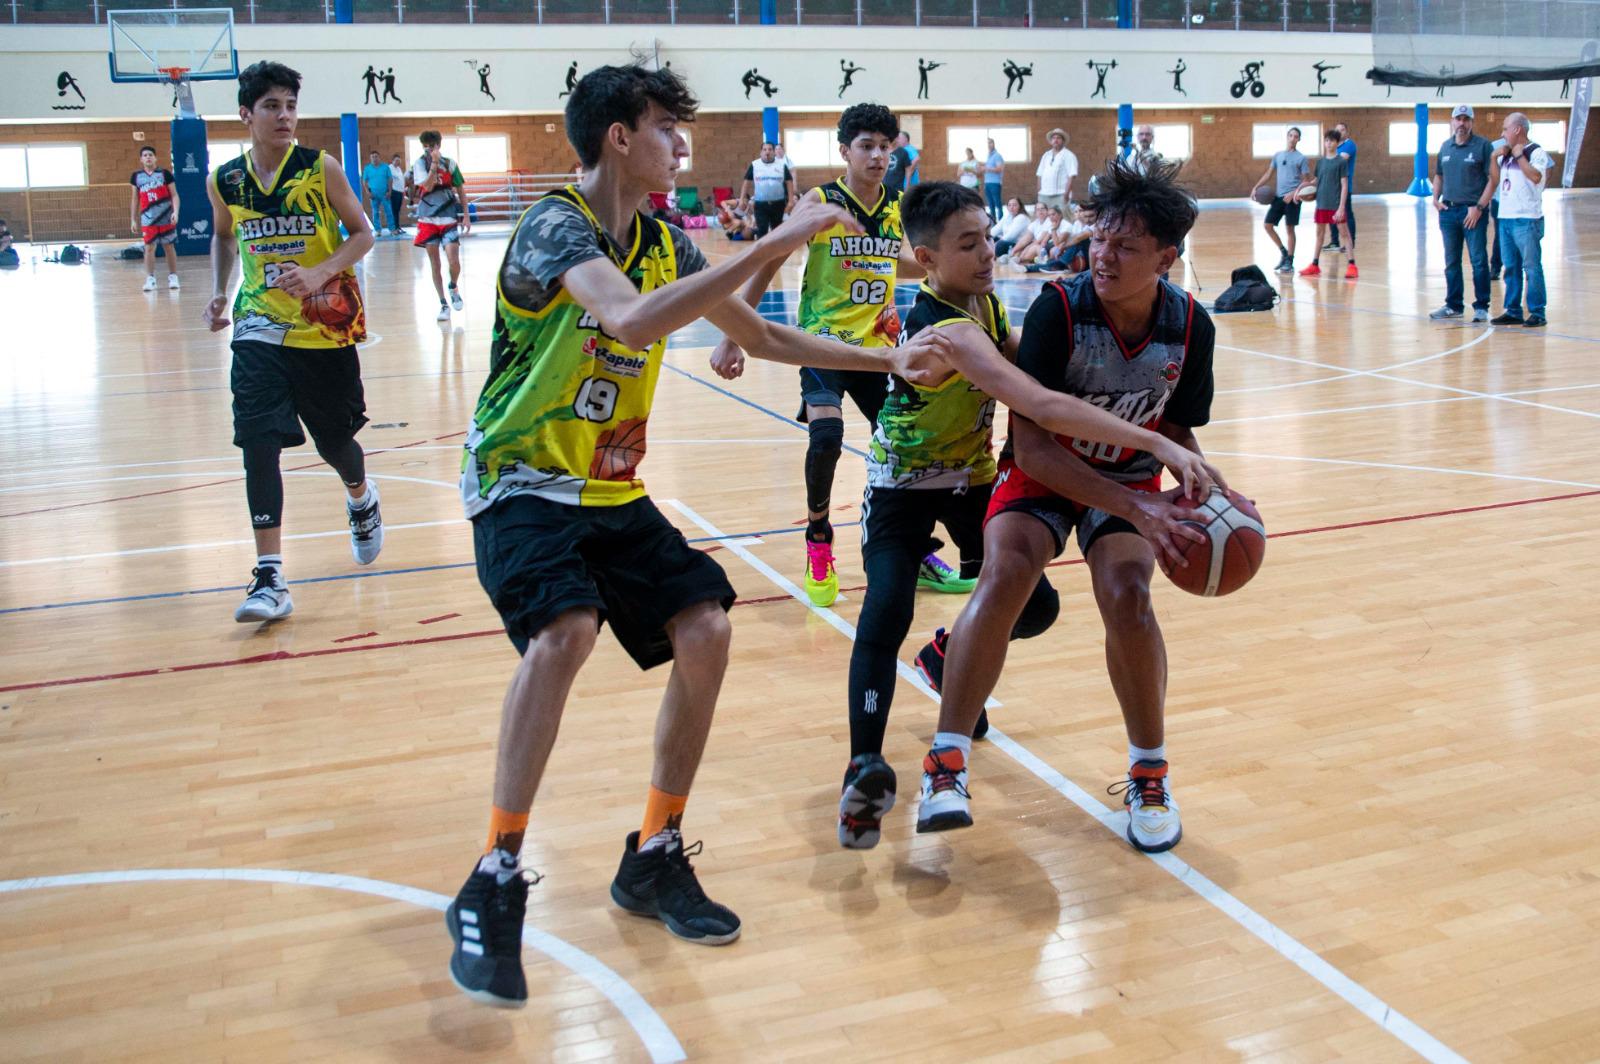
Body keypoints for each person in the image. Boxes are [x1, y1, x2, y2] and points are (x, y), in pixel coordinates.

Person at [446, 62, 953, 1009]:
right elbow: (633, 321)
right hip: (521, 481)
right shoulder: (558, 224)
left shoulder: (666, 240)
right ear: (618, 138)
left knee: (708, 627)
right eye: (667, 129)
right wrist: (788, 233)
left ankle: (655, 849)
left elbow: (760, 338)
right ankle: (498, 868)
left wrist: (884, 355)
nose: (683, 145)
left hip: (606, 488)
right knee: (567, 633)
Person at [837, 180, 1219, 849]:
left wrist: (1205, 489)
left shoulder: (1190, 327)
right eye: (1098, 237)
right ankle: (945, 764)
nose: (1102, 255)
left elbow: (1178, 430)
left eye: (1124, 246)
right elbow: (1037, 443)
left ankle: (1149, 773)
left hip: (1123, 471)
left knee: (1128, 596)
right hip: (1037, 471)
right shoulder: (1056, 312)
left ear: (1165, 257)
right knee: (1008, 574)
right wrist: (1139, 503)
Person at [709, 102, 968, 607]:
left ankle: (913, 549)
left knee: (908, 450)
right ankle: (818, 537)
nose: (877, 156)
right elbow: (769, 260)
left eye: (885, 147)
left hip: (878, 351)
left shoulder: (897, 206)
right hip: (823, 342)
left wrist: (941, 268)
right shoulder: (820, 199)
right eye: (866, 146)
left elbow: (900, 266)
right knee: (826, 434)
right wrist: (733, 334)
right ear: (844, 150)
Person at [202, 61, 380, 624]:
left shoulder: (319, 167)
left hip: (324, 327)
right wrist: (218, 292)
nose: (284, 116)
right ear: (246, 115)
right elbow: (224, 237)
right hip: (258, 324)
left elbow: (364, 233)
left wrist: (320, 273)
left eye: (290, 106)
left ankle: (360, 494)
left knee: (335, 445)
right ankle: (270, 574)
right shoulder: (225, 179)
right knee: (258, 439)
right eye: (272, 107)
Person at [1429, 105, 1495, 323]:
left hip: (1472, 212)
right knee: (1451, 261)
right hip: (1448, 212)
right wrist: (1435, 200)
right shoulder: (1445, 147)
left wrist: (1479, 207)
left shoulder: (1483, 146)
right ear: (1452, 121)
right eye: (1458, 119)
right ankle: (1454, 305)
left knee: (1478, 260)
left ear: (1472, 123)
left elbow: (1493, 180)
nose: (1462, 123)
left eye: (1466, 119)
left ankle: (1481, 306)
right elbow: (1439, 175)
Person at [1490, 112, 1553, 327]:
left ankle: (1537, 311)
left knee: (1531, 267)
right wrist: (1493, 158)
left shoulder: (1536, 152)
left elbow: (1536, 177)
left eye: (1506, 128)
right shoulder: (1505, 154)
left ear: (1517, 129)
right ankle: (1513, 310)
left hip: (1527, 219)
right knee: (1511, 267)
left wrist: (1519, 156)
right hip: (1506, 217)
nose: (1503, 133)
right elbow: (1496, 180)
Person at [412, 130, 470, 322]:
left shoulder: (451, 163)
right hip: (428, 218)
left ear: (438, 145)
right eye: (426, 146)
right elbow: (427, 186)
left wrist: (466, 216)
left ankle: (453, 286)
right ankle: (443, 304)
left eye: (432, 145)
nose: (429, 149)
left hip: (448, 216)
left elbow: (461, 190)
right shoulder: (420, 164)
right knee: (434, 262)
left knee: (453, 259)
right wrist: (434, 165)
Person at [1252, 126, 1310, 274]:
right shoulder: (1278, 155)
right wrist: (1256, 187)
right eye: (1290, 135)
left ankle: (1290, 260)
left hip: (1293, 199)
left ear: (1299, 139)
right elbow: (1268, 174)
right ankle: (1283, 252)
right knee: (1267, 225)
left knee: (1290, 229)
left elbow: (1306, 182)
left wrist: (1294, 193)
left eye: (1296, 136)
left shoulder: (1301, 158)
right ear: (1287, 137)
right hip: (1278, 198)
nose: (1293, 138)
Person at [1299, 130, 1352, 278]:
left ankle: (1352, 265)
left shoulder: (1341, 161)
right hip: (1321, 204)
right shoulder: (1321, 162)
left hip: (1335, 205)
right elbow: (1317, 181)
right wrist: (1302, 188)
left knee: (1344, 234)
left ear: (1337, 143)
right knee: (1319, 235)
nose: (1329, 143)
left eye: (1332, 141)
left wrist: (1341, 207)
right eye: (1326, 141)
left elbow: (1344, 185)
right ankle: (1315, 265)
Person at [129, 146, 181, 292]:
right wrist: (133, 219)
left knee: (169, 246)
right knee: (149, 248)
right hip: (148, 219)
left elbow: (175, 195)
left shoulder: (165, 174)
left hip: (166, 216)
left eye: (150, 154)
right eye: (145, 155)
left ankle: (173, 276)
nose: (148, 157)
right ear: (141, 159)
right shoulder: (136, 177)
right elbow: (135, 199)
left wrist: (175, 212)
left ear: (155, 158)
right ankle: (150, 279)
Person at [739, 141, 794, 238]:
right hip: (761, 204)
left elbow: (789, 182)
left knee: (777, 231)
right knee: (762, 231)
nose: (767, 152)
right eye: (764, 150)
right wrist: (741, 199)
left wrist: (790, 201)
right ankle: (762, 252)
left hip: (778, 204)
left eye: (770, 149)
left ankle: (776, 252)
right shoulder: (755, 165)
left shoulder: (782, 165)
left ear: (774, 152)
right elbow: (746, 182)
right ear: (761, 152)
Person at [1325, 121, 1358, 256]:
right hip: (1331, 186)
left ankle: (1351, 241)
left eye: (1342, 130)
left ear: (1347, 132)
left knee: (1347, 214)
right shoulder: (1334, 147)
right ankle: (1334, 242)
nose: (1340, 132)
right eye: (1337, 130)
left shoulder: (1349, 145)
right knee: (1331, 214)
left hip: (1344, 186)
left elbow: (1340, 160)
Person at [1035, 128, 1077, 212]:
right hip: (1044, 194)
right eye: (1054, 138)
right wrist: (1039, 191)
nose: (1056, 140)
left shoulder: (1069, 155)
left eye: (1058, 138)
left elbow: (1071, 176)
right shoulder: (1046, 155)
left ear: (1063, 141)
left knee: (1062, 219)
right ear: (1051, 141)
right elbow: (1040, 174)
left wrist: (1066, 194)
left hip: (1060, 195)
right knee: (1045, 219)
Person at [361, 150, 395, 235]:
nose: (374, 158)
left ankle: (392, 229)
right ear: (370, 158)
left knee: (389, 211)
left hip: (384, 193)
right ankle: (378, 230)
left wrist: (389, 191)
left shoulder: (385, 167)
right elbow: (364, 181)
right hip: (373, 194)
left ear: (379, 157)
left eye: (376, 156)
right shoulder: (367, 168)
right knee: (375, 212)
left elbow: (390, 179)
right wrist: (368, 192)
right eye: (372, 157)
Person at [981, 137, 1005, 221]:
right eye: (987, 143)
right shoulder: (988, 156)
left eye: (990, 143)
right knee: (990, 204)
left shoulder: (997, 156)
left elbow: (999, 169)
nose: (989, 145)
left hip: (995, 183)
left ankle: (1001, 221)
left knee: (997, 203)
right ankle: (993, 221)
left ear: (994, 144)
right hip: (987, 183)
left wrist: (986, 168)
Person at [387, 152, 408, 235]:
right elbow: (390, 179)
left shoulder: (399, 169)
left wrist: (403, 191)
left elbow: (401, 180)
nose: (398, 162)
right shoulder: (390, 168)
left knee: (397, 210)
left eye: (399, 161)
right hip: (394, 191)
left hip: (400, 191)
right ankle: (394, 227)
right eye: (396, 160)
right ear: (392, 161)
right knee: (394, 210)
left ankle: (398, 227)